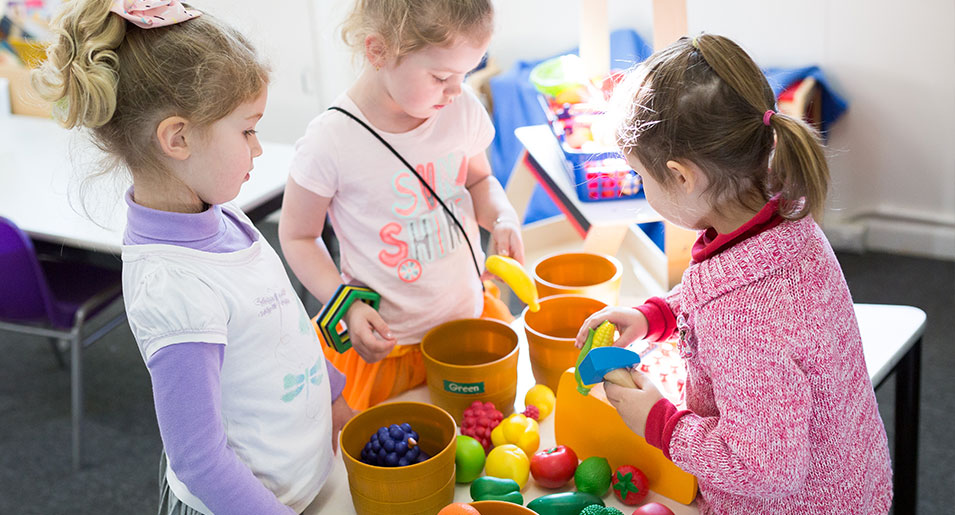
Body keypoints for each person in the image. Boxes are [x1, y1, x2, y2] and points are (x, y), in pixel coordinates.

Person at [33, 1, 352, 513]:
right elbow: (200, 462)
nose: (258, 148)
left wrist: (335, 396)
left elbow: (283, 323)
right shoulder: (173, 288)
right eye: (247, 130)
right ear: (177, 138)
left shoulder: (221, 214)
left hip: (302, 481)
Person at [575, 34, 892, 513]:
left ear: (683, 177)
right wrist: (657, 315)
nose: (642, 189)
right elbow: (729, 287)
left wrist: (661, 423)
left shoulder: (741, 320)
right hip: (849, 473)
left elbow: (764, 470)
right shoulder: (780, 212)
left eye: (641, 176)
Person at [279, 0, 524, 410]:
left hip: (468, 322)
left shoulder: (459, 109)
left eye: (467, 73)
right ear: (378, 51)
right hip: (386, 347)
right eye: (442, 76)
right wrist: (346, 304)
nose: (456, 90)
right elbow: (298, 235)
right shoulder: (331, 140)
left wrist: (501, 215)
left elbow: (479, 179)